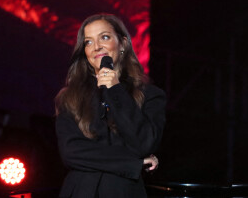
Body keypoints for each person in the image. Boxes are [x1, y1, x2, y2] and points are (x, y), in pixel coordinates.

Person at [55, 14, 166, 198]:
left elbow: (144, 143)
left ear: (122, 44)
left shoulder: (151, 95)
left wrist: (115, 89)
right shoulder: (70, 97)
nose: (96, 46)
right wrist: (132, 163)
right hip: (80, 192)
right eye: (88, 42)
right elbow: (71, 152)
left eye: (104, 37)